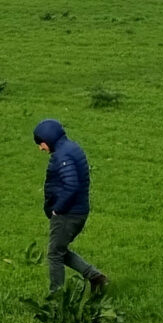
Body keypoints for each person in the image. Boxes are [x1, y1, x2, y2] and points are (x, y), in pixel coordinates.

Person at [33, 118, 107, 296]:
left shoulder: (62, 156)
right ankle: (96, 277)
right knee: (59, 250)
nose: (41, 148)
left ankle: (56, 298)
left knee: (54, 255)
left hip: (68, 214)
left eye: (41, 144)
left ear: (48, 140)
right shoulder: (72, 148)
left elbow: (71, 185)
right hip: (78, 211)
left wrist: (57, 209)